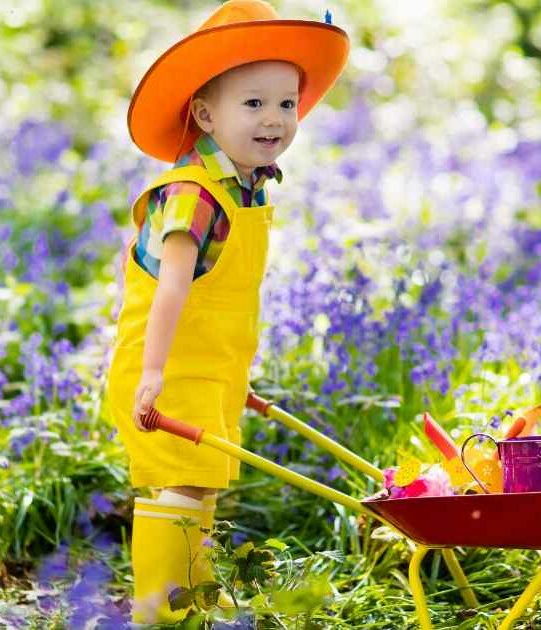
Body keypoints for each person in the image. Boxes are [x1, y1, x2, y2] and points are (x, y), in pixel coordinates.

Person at [104, 0, 348, 622]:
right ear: (206, 113)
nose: (274, 119)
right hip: (168, 366)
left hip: (213, 366)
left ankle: (195, 595)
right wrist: (153, 376)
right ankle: (159, 610)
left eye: (286, 103)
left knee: (204, 481)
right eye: (253, 103)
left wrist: (235, 374)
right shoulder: (193, 197)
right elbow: (171, 293)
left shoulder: (247, 187)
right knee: (181, 482)